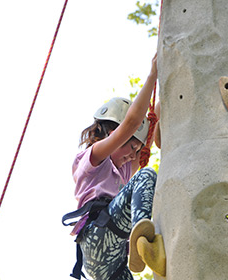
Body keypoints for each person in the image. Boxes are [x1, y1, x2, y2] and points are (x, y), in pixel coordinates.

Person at [63, 54, 158, 280]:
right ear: (113, 134)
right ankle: (139, 236)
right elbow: (132, 124)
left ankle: (137, 239)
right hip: (99, 233)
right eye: (130, 147)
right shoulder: (92, 159)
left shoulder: (123, 171)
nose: (132, 156)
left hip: (109, 263)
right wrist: (153, 75)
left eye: (136, 151)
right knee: (146, 175)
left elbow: (148, 137)